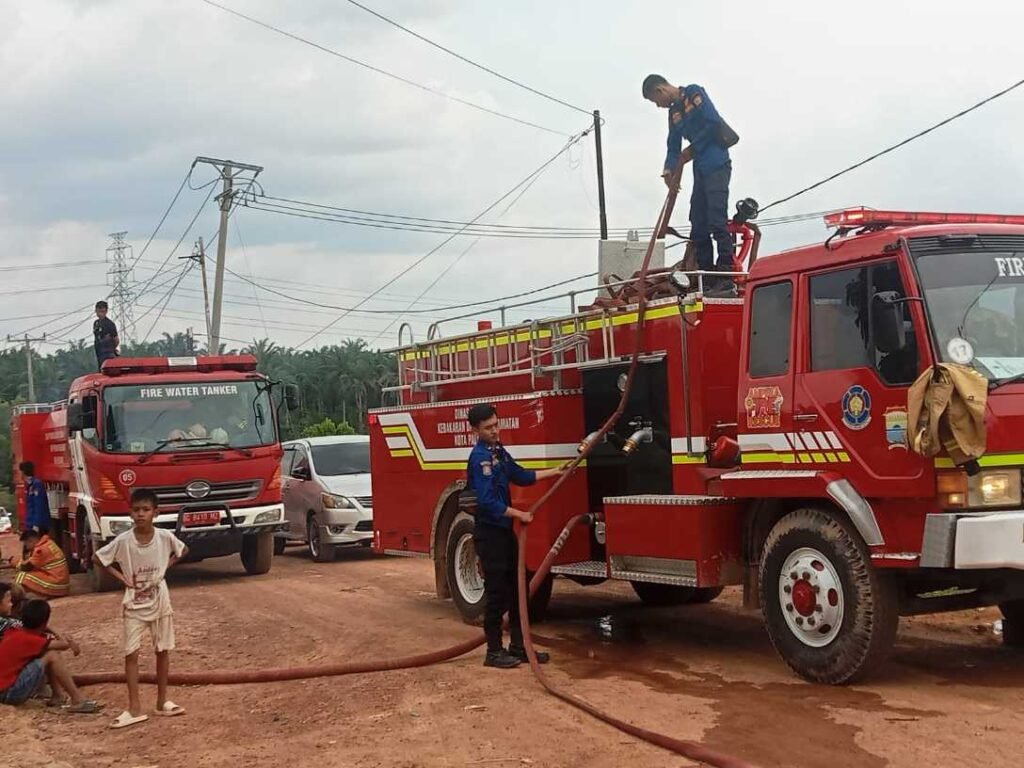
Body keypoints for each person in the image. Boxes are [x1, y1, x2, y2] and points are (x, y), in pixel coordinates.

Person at [465, 404, 565, 669]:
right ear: (475, 430)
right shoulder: (480, 458)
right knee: (497, 592)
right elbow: (487, 501)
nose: (495, 431)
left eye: (496, 425)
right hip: (490, 534)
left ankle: (519, 646)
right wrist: (518, 514)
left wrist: (555, 471)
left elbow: (520, 475)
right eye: (488, 428)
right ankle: (494, 651)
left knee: (518, 590)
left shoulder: (498, 452)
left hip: (504, 532)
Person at [94, 488, 188, 729]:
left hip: (160, 600)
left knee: (163, 649)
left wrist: (164, 567)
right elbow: (99, 558)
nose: (140, 514)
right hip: (134, 603)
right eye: (136, 510)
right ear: (130, 513)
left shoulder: (164, 537)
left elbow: (183, 550)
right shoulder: (124, 541)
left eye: (146, 509)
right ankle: (134, 707)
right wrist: (122, 579)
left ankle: (162, 701)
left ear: (156, 513)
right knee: (131, 653)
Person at [642, 74, 739, 292]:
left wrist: (692, 149)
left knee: (717, 219)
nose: (658, 106)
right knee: (698, 223)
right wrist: (668, 169)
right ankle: (706, 276)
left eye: (656, 101)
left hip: (717, 163)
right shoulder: (674, 113)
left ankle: (726, 274)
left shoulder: (694, 93)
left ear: (660, 91)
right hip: (700, 170)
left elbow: (713, 122)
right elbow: (673, 145)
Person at [0, 598, 102, 712]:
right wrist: (52, 629)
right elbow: (64, 645)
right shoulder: (29, 639)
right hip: (8, 693)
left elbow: (58, 644)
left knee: (49, 651)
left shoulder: (15, 631)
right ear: (44, 623)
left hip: (5, 690)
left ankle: (58, 696)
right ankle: (78, 699)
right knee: (52, 655)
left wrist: (51, 631)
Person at [15, 527, 70, 599]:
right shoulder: (49, 542)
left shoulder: (40, 550)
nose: (26, 547)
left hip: (57, 583)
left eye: (26, 544)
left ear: (31, 541)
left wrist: (16, 563)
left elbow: (27, 567)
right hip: (62, 582)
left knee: (22, 575)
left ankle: (18, 597)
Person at [19, 461, 51, 535]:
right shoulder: (30, 486)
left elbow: (39, 506)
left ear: (24, 472)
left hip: (38, 526)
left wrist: (36, 525)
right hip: (31, 524)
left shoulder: (37, 485)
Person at [93, 300, 120, 370]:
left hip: (108, 353)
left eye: (102, 311)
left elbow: (116, 340)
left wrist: (111, 348)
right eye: (98, 311)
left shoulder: (109, 324)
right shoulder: (96, 323)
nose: (100, 314)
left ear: (106, 311)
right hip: (99, 352)